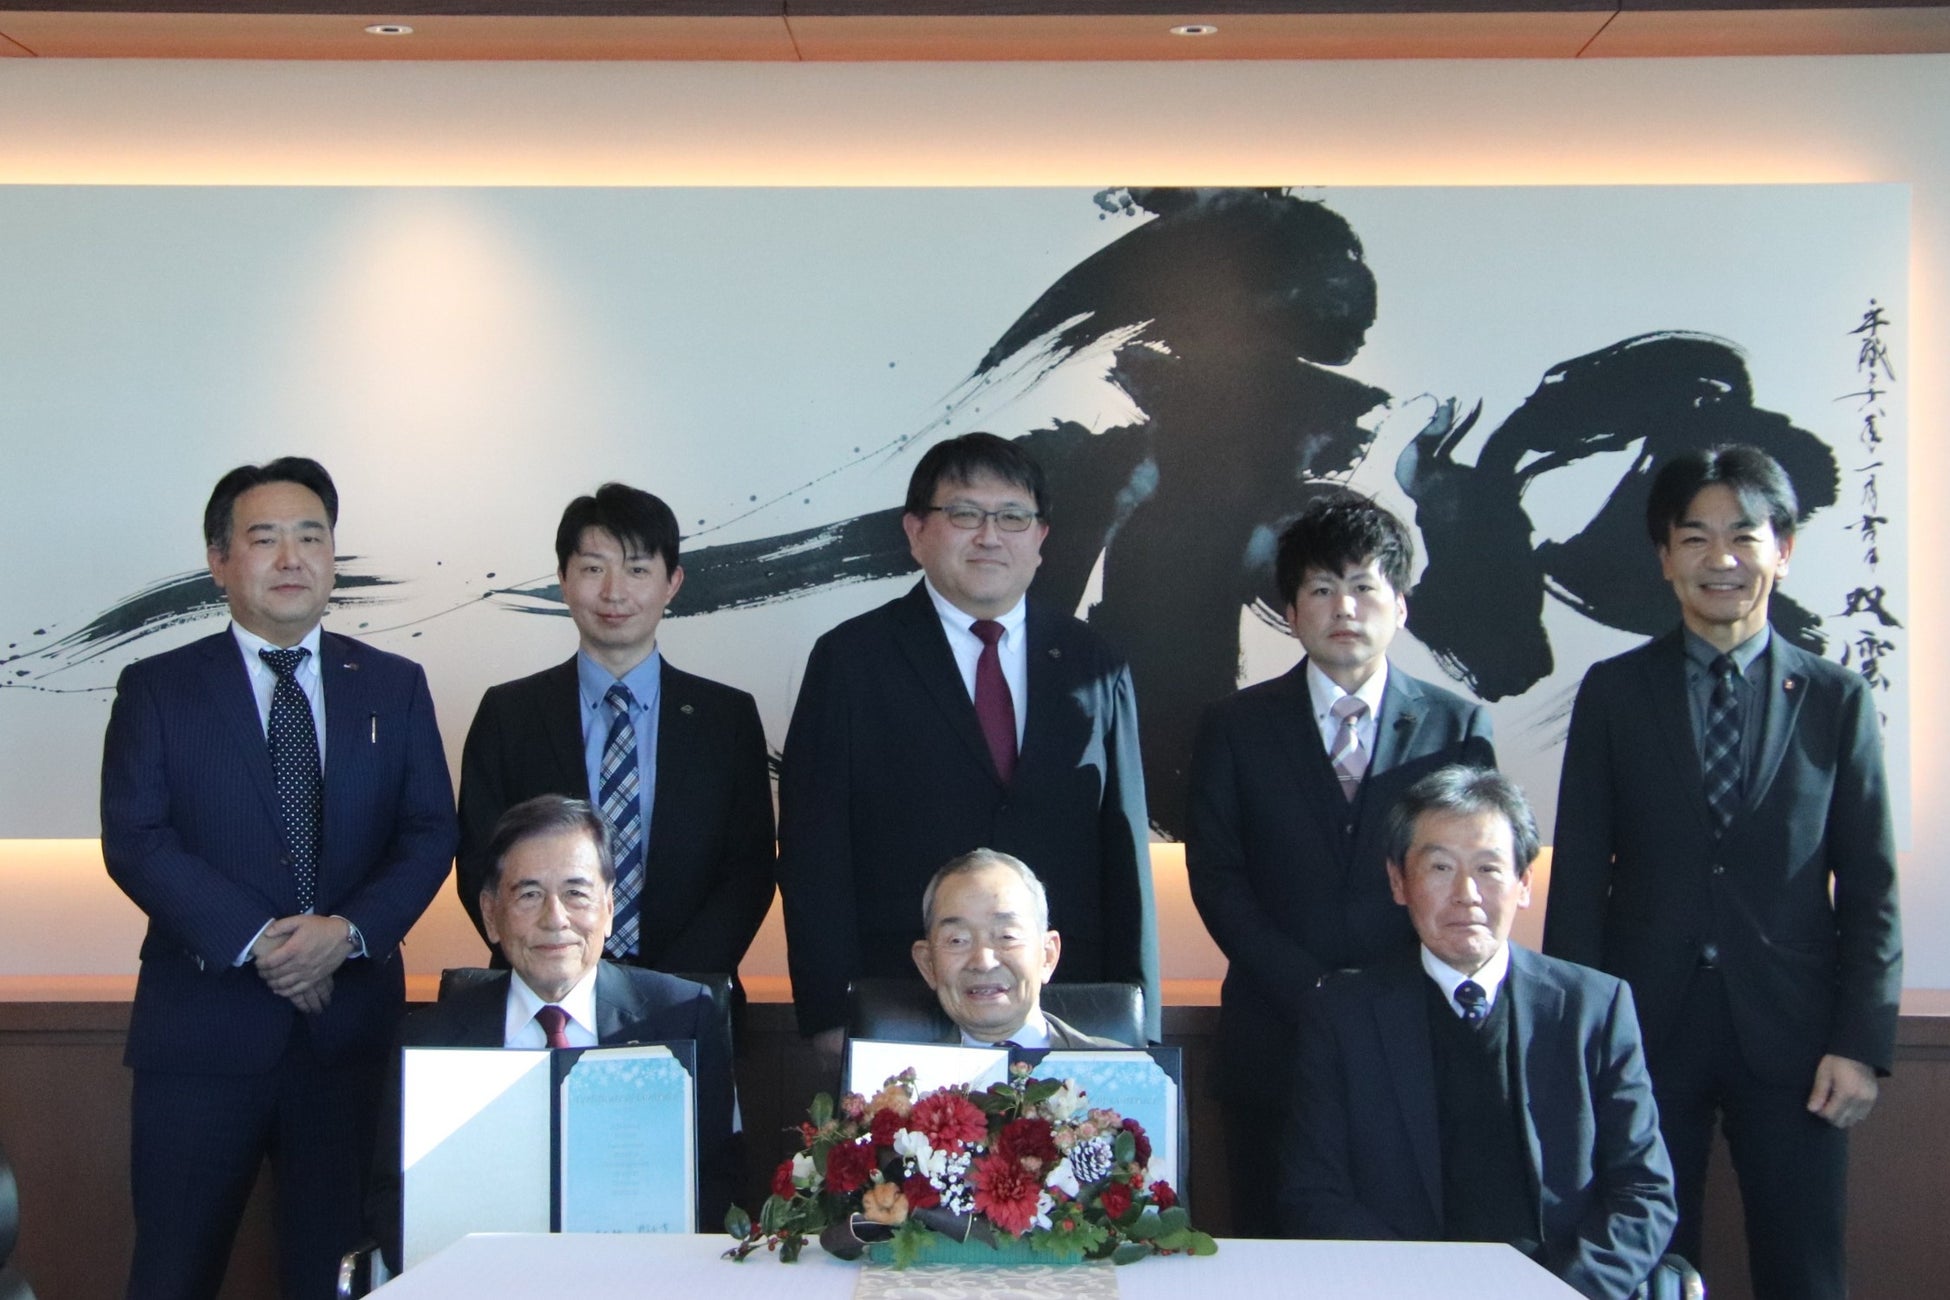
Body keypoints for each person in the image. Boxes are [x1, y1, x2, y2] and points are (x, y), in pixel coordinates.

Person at [1544, 444, 1902, 1298]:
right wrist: (1576, 1041)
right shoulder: (1614, 693)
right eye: (1695, 538)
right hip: (1643, 1034)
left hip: (1795, 1039)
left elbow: (1871, 887)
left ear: (1784, 549)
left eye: (1744, 536)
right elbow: (1579, 879)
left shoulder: (1836, 700)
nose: (1722, 559)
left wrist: (1859, 1044)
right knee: (1648, 1272)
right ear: (1665, 558)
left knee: (1804, 1270)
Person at [100, 457, 457, 1300]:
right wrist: (263, 942)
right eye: (265, 539)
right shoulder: (158, 688)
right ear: (220, 560)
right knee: (172, 1274)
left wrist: (348, 934)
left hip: (348, 1040)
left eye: (311, 537)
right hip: (202, 1039)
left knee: (337, 1278)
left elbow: (430, 831)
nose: (292, 558)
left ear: (333, 557)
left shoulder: (394, 685)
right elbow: (136, 839)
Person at [777, 432, 1159, 1054]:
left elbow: (1125, 855)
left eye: (1012, 517)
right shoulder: (851, 660)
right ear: (916, 532)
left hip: (1069, 1005)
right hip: (900, 1002)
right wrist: (828, 1013)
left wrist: (1141, 1014)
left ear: (1040, 537)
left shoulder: (1094, 662)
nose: (989, 536)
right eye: (964, 514)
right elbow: (814, 852)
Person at [1185, 491, 1493, 1236]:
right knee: (1270, 1247)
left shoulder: (1457, 725)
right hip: (1273, 1034)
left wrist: (1387, 989)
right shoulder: (1234, 727)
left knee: (1408, 1254)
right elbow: (1218, 880)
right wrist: (1311, 988)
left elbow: (1475, 872)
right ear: (1292, 611)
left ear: (1401, 606)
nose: (1344, 608)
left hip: (1415, 1032)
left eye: (1363, 586)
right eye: (1322, 589)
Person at [1284, 767, 1675, 1300]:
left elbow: (1644, 1192)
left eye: (1488, 868)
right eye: (1440, 867)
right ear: (1399, 882)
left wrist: (1562, 1294)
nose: (1466, 894)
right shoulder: (1343, 1015)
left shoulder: (1594, 1008)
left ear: (1524, 883)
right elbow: (1315, 1195)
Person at [371, 795, 737, 1273]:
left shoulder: (683, 1018)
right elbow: (391, 1201)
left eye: (576, 893)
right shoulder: (430, 1039)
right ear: (490, 915)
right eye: (529, 895)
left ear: (609, 907)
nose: (555, 919)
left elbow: (721, 1189)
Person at [455, 482, 774, 992]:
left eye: (637, 569)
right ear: (563, 580)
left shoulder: (726, 719)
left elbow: (749, 872)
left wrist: (663, 992)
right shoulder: (508, 714)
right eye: (593, 569)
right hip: (543, 997)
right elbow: (480, 866)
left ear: (672, 582)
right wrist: (553, 970)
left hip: (689, 998)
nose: (614, 592)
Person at [906, 849, 1126, 1049]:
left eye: (1007, 936)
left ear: (1047, 956)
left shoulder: (1126, 1070)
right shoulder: (904, 1079)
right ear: (928, 964)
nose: (983, 962)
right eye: (957, 940)